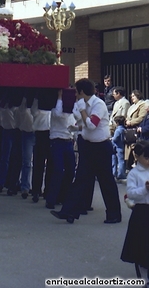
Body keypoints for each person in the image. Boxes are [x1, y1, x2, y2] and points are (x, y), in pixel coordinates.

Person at [51, 77, 121, 224]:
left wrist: (82, 109)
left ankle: (114, 214)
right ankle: (69, 211)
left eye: (76, 92)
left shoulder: (98, 104)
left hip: (101, 147)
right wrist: (77, 126)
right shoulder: (84, 104)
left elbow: (92, 124)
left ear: (82, 92)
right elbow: (85, 124)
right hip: (89, 145)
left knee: (106, 181)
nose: (75, 95)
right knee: (80, 179)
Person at [121, 140, 149, 285]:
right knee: (141, 246)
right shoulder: (134, 174)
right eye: (146, 157)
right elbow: (131, 194)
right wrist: (145, 189)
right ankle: (143, 278)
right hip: (142, 212)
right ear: (137, 156)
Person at [112, 115, 127, 180]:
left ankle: (116, 173)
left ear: (117, 123)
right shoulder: (123, 129)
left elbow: (115, 139)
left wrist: (111, 139)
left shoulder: (118, 130)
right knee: (121, 160)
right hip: (121, 146)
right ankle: (121, 173)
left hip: (116, 147)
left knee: (115, 160)